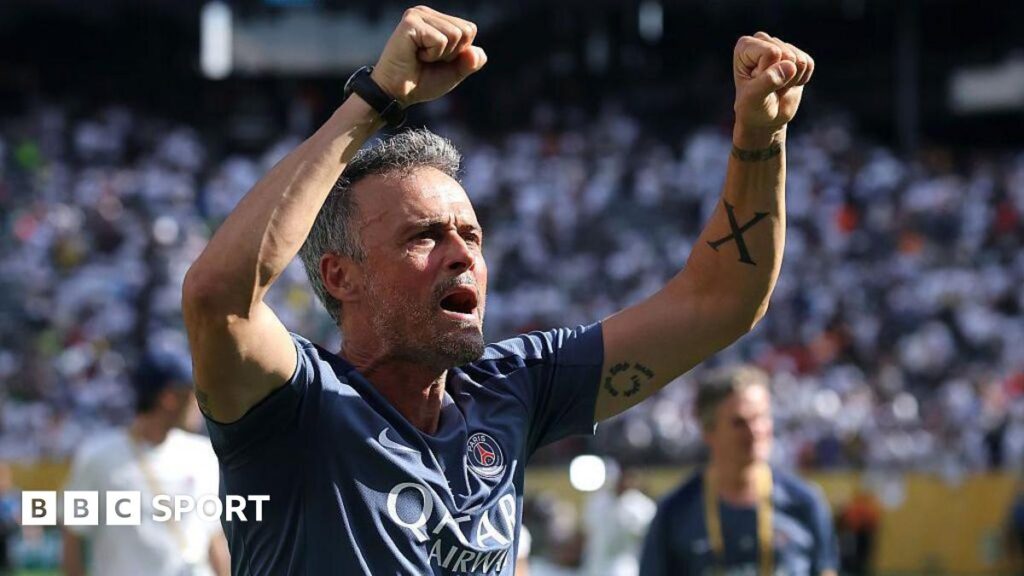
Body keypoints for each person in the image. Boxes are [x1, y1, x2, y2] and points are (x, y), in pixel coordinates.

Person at [181, 5, 815, 574]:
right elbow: (217, 298)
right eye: (425, 236)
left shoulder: (513, 388)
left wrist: (759, 138)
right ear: (340, 275)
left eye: (472, 235)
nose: (462, 254)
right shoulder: (289, 407)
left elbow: (721, 300)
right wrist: (374, 98)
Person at [639, 366, 839, 576]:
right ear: (708, 430)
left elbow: (825, 569)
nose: (755, 431)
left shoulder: (805, 502)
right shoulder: (674, 512)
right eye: (739, 422)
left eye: (761, 417)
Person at [61, 356, 229, 576]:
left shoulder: (204, 453)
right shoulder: (97, 457)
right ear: (168, 398)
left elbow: (213, 538)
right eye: (193, 391)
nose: (200, 402)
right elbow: (73, 538)